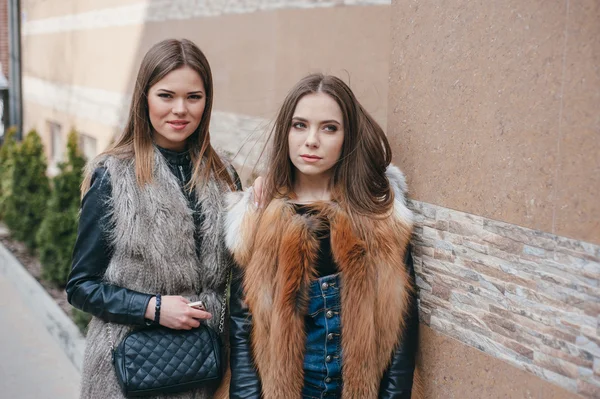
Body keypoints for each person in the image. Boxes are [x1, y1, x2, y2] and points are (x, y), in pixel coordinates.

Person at [225, 74, 419, 399]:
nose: (311, 140)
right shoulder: (258, 213)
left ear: (347, 136)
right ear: (285, 131)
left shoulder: (379, 212)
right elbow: (243, 322)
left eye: (329, 128)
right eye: (300, 125)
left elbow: (402, 320)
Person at [66, 38, 240, 399]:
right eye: (166, 95)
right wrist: (152, 307)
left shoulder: (223, 174)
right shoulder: (113, 176)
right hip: (128, 373)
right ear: (144, 97)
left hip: (207, 369)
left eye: (194, 97)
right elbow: (81, 285)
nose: (180, 109)